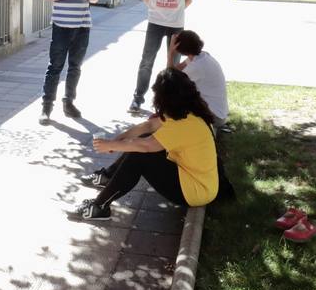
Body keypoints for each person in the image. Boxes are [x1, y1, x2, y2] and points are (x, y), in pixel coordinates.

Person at [73, 69, 219, 220]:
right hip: (198, 182)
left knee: (140, 155)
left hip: (197, 192)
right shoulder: (186, 110)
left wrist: (111, 145)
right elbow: (148, 127)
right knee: (142, 141)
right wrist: (118, 139)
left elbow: (146, 146)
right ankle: (108, 178)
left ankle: (100, 206)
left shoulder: (183, 124)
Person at [129, 0, 197, 115]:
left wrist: (174, 11)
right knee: (146, 61)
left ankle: (170, 102)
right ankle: (138, 97)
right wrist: (155, 8)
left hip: (176, 24)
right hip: (155, 23)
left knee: (173, 64)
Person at [40, 0, 98, 122]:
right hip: (61, 26)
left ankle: (69, 103)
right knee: (55, 67)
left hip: (82, 26)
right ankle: (46, 107)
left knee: (75, 67)